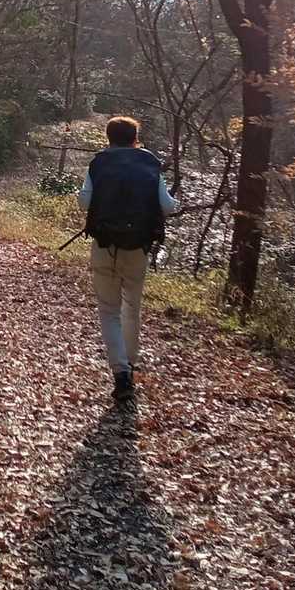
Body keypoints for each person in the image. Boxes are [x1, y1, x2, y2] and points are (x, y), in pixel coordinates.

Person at [78, 116, 178, 403]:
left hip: (104, 245)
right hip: (138, 247)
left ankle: (120, 373)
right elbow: (167, 207)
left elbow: (84, 202)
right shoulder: (149, 163)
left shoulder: (99, 163)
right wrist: (175, 202)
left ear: (108, 138)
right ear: (135, 138)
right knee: (132, 308)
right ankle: (130, 367)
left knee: (109, 310)